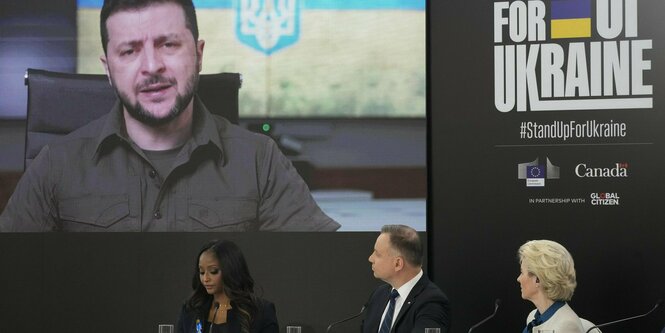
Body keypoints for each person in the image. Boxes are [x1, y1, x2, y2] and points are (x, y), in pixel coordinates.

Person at [0, 0, 339, 232]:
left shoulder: (260, 161)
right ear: (108, 69)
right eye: (129, 50)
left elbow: (315, 274)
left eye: (168, 45)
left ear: (199, 54)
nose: (151, 67)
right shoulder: (55, 165)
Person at [177, 240, 278, 333]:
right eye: (202, 272)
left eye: (213, 271)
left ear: (231, 270)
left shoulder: (262, 311)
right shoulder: (190, 310)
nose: (205, 279)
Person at [362, 224, 450, 333]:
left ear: (398, 263)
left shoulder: (432, 303)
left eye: (378, 254)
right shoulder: (379, 294)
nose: (370, 258)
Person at [517, 239, 585, 333]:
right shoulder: (533, 317)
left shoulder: (567, 326)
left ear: (537, 279)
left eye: (522, 272)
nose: (518, 279)